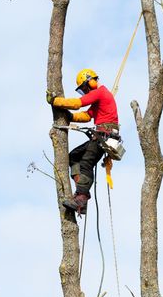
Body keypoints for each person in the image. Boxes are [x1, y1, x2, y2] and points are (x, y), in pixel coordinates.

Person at [47, 68, 119, 214]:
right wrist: (71, 117)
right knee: (73, 156)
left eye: (85, 87)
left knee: (86, 163)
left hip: (105, 135)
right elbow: (87, 116)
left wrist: (56, 101)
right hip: (100, 135)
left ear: (91, 81)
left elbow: (78, 103)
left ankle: (81, 196)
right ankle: (82, 195)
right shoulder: (99, 98)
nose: (86, 91)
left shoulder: (100, 92)